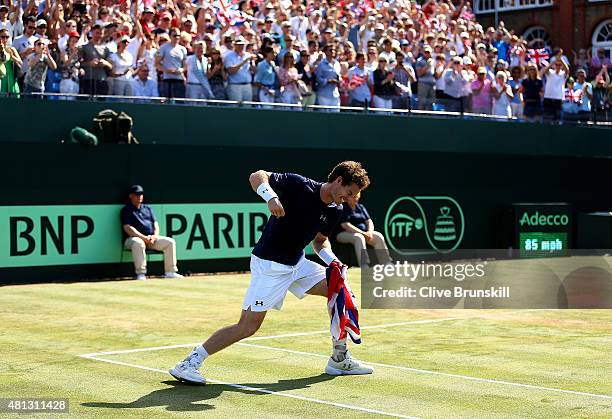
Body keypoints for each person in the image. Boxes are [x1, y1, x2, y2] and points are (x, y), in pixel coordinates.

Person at [169, 161, 373, 384]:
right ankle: (189, 363)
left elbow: (320, 242)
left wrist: (333, 262)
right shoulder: (299, 185)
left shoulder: (336, 210)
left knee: (340, 290)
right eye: (349, 192)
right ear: (338, 181)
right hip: (270, 265)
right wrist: (270, 197)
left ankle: (339, 358)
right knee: (247, 326)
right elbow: (256, 175)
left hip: (297, 264)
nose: (349, 198)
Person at [120, 185, 184, 281]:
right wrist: (143, 237)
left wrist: (154, 236)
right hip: (132, 240)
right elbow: (128, 228)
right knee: (138, 242)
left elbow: (155, 224)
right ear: (130, 196)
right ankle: (141, 273)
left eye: (141, 194)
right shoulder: (126, 210)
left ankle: (170, 272)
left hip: (150, 239)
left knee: (170, 242)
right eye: (137, 194)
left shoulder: (148, 208)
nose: (139, 196)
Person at [335, 191, 390, 267]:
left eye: (357, 197)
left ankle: (386, 263)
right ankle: (364, 265)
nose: (356, 199)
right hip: (342, 234)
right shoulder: (343, 207)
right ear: (348, 198)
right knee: (359, 237)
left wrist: (370, 232)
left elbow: (369, 221)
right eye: (354, 197)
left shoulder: (360, 207)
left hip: (363, 233)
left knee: (378, 236)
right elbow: (346, 225)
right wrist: (363, 234)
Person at [79, 24, 112, 95]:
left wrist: (105, 63)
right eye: (97, 33)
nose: (99, 35)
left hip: (102, 80)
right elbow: (79, 64)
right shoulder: (84, 47)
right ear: (92, 32)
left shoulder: (106, 49)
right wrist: (89, 63)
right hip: (88, 80)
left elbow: (111, 66)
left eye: (101, 33)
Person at [155, 28, 187, 99]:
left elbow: (185, 65)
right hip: (167, 79)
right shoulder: (163, 48)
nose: (177, 37)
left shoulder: (182, 49)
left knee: (179, 102)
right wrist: (166, 70)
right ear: (170, 36)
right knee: (167, 101)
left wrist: (181, 70)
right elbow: (157, 64)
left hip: (179, 79)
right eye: (174, 35)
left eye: (178, 35)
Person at [540, 53, 569, 122]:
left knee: (558, 119)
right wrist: (554, 61)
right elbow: (545, 70)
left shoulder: (563, 74)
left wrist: (561, 60)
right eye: (556, 64)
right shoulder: (550, 72)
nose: (558, 66)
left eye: (559, 65)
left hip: (558, 99)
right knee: (547, 119)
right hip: (548, 98)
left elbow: (567, 70)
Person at [224, 37, 254, 102]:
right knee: (235, 108)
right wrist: (244, 62)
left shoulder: (248, 55)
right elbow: (231, 71)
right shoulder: (229, 56)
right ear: (235, 45)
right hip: (235, 86)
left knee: (248, 108)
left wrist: (252, 62)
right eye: (239, 45)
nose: (241, 46)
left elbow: (254, 71)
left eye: (242, 45)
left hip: (247, 85)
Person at [315, 44, 341, 109]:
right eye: (330, 50)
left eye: (334, 50)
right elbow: (318, 79)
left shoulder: (337, 64)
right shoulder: (321, 64)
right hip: (324, 95)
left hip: (335, 94)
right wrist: (328, 81)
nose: (333, 52)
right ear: (326, 52)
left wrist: (339, 80)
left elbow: (339, 76)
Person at [59, 31, 82, 96]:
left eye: (76, 41)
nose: (74, 43)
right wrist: (72, 54)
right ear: (69, 42)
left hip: (76, 80)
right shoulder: (64, 52)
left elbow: (78, 65)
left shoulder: (79, 54)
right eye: (73, 41)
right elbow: (66, 64)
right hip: (66, 80)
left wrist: (81, 70)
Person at [0, 28, 21, 95]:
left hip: (10, 75)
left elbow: (20, 62)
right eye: (3, 37)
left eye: (7, 37)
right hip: (1, 76)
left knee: (13, 95)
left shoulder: (11, 49)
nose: (5, 39)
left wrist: (12, 56)